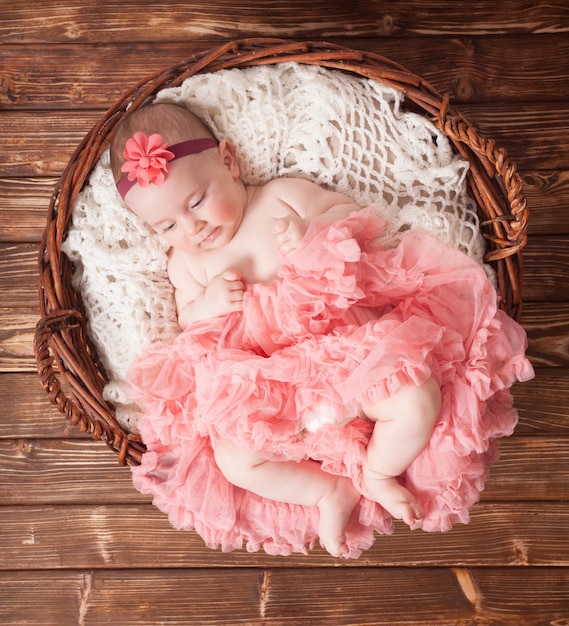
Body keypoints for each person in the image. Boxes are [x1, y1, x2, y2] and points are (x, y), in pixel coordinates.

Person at [110, 102, 533, 558]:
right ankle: (327, 491)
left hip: (351, 357)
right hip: (274, 388)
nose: (193, 226)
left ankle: (378, 472)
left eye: (197, 201)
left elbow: (358, 219)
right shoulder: (187, 263)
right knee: (234, 459)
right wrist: (207, 305)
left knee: (418, 396)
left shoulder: (279, 198)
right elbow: (188, 326)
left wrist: (310, 231)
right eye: (169, 224)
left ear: (228, 161)